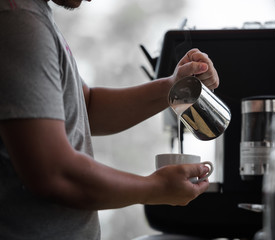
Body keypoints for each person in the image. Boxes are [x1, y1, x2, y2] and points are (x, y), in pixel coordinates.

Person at [0, 0, 219, 239]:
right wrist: (156, 188)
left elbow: (87, 107)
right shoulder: (18, 19)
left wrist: (172, 87)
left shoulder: (33, 16)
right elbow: (55, 172)